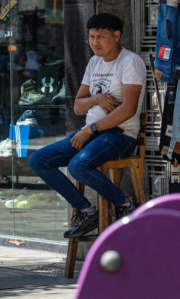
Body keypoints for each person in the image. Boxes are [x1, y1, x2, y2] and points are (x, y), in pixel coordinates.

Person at [29, 13, 147, 238]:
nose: (95, 42)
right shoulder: (94, 62)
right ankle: (86, 210)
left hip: (120, 135)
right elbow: (78, 106)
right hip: (93, 134)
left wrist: (90, 129)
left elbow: (128, 109)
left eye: (101, 37)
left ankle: (125, 204)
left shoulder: (130, 61)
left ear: (116, 36)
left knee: (77, 166)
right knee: (38, 160)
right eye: (92, 37)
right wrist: (97, 99)